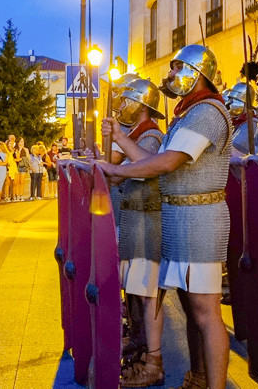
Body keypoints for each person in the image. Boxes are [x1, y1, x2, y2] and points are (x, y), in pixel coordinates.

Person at [98, 44, 233, 389]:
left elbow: (168, 162)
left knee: (207, 313)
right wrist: (118, 141)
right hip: (182, 219)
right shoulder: (187, 114)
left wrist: (120, 171)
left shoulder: (208, 111)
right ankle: (199, 377)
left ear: (196, 72)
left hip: (201, 220)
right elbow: (149, 156)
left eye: (176, 69)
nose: (170, 76)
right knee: (192, 310)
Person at [102, 78, 167, 387]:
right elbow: (115, 177)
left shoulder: (152, 135)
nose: (122, 105)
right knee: (135, 292)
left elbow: (147, 164)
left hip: (147, 219)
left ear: (142, 104)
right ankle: (140, 344)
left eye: (127, 100)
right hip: (132, 219)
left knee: (147, 292)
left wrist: (117, 139)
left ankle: (152, 359)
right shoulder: (135, 135)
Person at [222, 82, 256, 155]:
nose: (229, 103)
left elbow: (233, 151)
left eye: (233, 99)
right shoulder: (238, 123)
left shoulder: (251, 124)